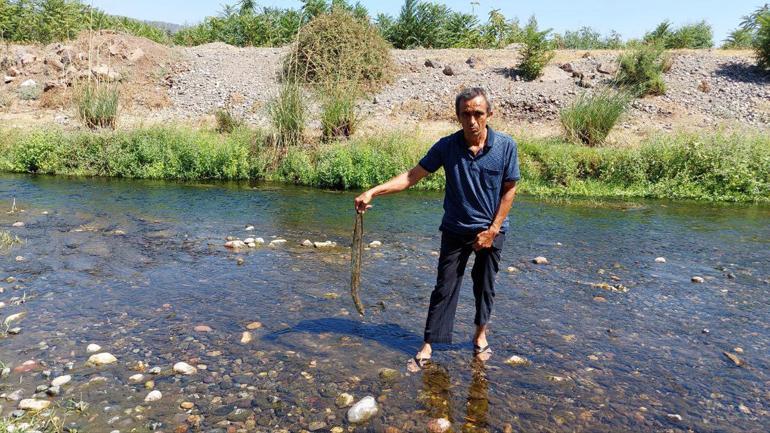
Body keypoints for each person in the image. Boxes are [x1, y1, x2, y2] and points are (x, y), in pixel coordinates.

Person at [354, 87, 520, 367]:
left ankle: (480, 336)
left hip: (491, 231)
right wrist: (373, 192)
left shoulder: (505, 146)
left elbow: (509, 189)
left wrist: (493, 230)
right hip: (455, 228)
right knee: (444, 287)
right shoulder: (447, 146)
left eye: (478, 113)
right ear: (457, 116)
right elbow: (411, 176)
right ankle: (428, 344)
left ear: (489, 114)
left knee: (484, 286)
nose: (472, 120)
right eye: (465, 114)